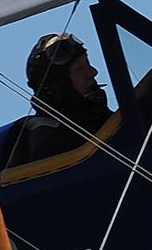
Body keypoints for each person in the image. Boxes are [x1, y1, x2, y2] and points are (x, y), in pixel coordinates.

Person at [6, 32, 114, 169]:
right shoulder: (46, 135)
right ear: (58, 87)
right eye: (79, 69)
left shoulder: (105, 121)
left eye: (87, 63)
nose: (93, 72)